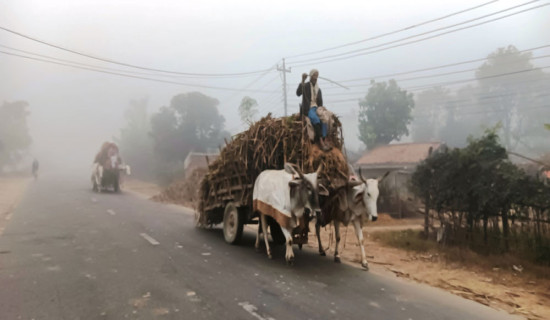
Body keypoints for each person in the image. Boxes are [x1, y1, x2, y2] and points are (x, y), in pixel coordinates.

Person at [296, 69, 330, 151]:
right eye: (314, 75)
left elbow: (320, 103)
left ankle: (325, 139)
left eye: (317, 76)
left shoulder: (319, 89)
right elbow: (298, 93)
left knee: (324, 118)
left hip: (317, 108)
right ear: (310, 76)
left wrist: (321, 110)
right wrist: (303, 80)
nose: (316, 78)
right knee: (316, 119)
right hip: (309, 108)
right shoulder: (306, 86)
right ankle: (321, 141)